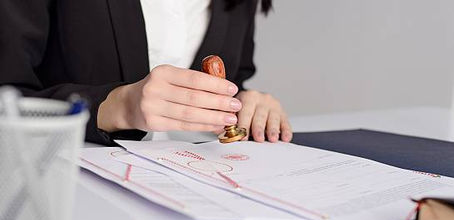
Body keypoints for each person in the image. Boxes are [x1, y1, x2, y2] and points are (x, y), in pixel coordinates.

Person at [0, 0, 292, 145]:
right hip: (65, 204)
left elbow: (231, 78)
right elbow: (8, 95)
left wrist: (244, 104)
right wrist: (117, 108)